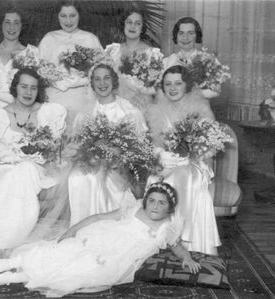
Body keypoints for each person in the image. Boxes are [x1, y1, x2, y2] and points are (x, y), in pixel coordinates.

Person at [0, 182, 201, 298]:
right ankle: (10, 264)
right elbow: (99, 217)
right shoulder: (133, 209)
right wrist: (73, 229)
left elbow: (177, 246)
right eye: (151, 201)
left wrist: (187, 258)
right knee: (62, 252)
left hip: (118, 258)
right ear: (144, 202)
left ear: (170, 208)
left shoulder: (168, 227)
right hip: (100, 238)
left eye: (161, 203)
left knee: (78, 270)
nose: (154, 206)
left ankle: (11, 278)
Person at [0, 68, 68, 278]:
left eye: (33, 88)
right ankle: (0, 248)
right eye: (24, 86)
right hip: (4, 167)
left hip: (37, 169)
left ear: (38, 91)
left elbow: (54, 154)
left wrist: (37, 154)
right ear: (15, 87)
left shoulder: (49, 113)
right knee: (7, 178)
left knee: (23, 172)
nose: (28, 92)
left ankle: (4, 247)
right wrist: (5, 159)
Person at [146, 65, 220, 255]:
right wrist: (161, 154)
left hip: (194, 162)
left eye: (178, 83)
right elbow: (154, 143)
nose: (172, 88)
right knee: (154, 180)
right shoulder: (155, 110)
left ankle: (182, 239)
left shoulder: (200, 107)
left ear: (186, 85)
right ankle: (158, 241)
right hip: (168, 161)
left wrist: (193, 151)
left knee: (178, 178)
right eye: (168, 84)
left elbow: (210, 144)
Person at [67, 63, 148, 226]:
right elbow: (77, 144)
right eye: (97, 79)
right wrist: (89, 153)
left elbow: (140, 149)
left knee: (99, 178)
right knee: (76, 177)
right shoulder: (85, 112)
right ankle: (80, 226)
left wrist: (118, 153)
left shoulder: (129, 110)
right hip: (90, 162)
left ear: (114, 81)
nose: (102, 83)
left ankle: (101, 227)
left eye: (106, 78)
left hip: (119, 166)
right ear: (92, 83)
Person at [38, 0, 103, 130]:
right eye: (63, 16)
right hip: (55, 96)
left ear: (79, 15)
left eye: (72, 15)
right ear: (57, 16)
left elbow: (101, 71)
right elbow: (39, 70)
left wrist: (83, 78)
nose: (68, 21)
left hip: (83, 97)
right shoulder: (49, 38)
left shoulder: (90, 38)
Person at [0, 9, 38, 108]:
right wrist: (8, 98)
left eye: (16, 23)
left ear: (22, 26)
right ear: (1, 25)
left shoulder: (31, 53)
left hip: (19, 110)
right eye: (7, 22)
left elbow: (35, 85)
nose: (11, 27)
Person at [105, 8, 163, 113]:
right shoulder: (112, 51)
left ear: (142, 28)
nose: (132, 26)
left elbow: (157, 88)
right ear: (124, 25)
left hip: (141, 106)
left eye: (137, 23)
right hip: (116, 107)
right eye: (129, 22)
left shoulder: (152, 54)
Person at [162, 17, 221, 99]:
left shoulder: (209, 61)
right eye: (181, 33)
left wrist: (190, 95)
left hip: (198, 108)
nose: (185, 38)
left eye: (190, 33)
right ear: (176, 36)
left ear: (197, 35)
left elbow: (216, 90)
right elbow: (160, 89)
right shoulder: (166, 62)